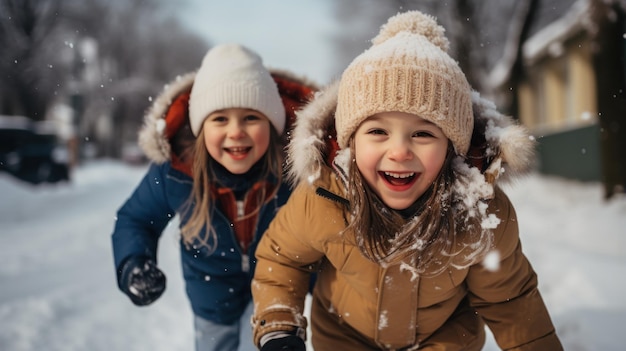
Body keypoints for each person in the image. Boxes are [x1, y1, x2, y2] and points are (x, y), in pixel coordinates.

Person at [251, 11, 563, 351]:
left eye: (423, 133)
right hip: (345, 337)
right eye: (378, 131)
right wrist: (279, 327)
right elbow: (283, 260)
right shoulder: (325, 196)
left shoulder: (481, 215)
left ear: (452, 146)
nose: (399, 151)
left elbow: (511, 301)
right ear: (349, 141)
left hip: (442, 340)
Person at [111, 43, 316, 351]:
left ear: (273, 125)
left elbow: (329, 230)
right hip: (210, 297)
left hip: (275, 293)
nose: (236, 131)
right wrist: (134, 263)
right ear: (200, 128)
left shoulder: (297, 172)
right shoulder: (177, 172)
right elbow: (136, 219)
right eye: (220, 119)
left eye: (251, 118)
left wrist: (325, 282)